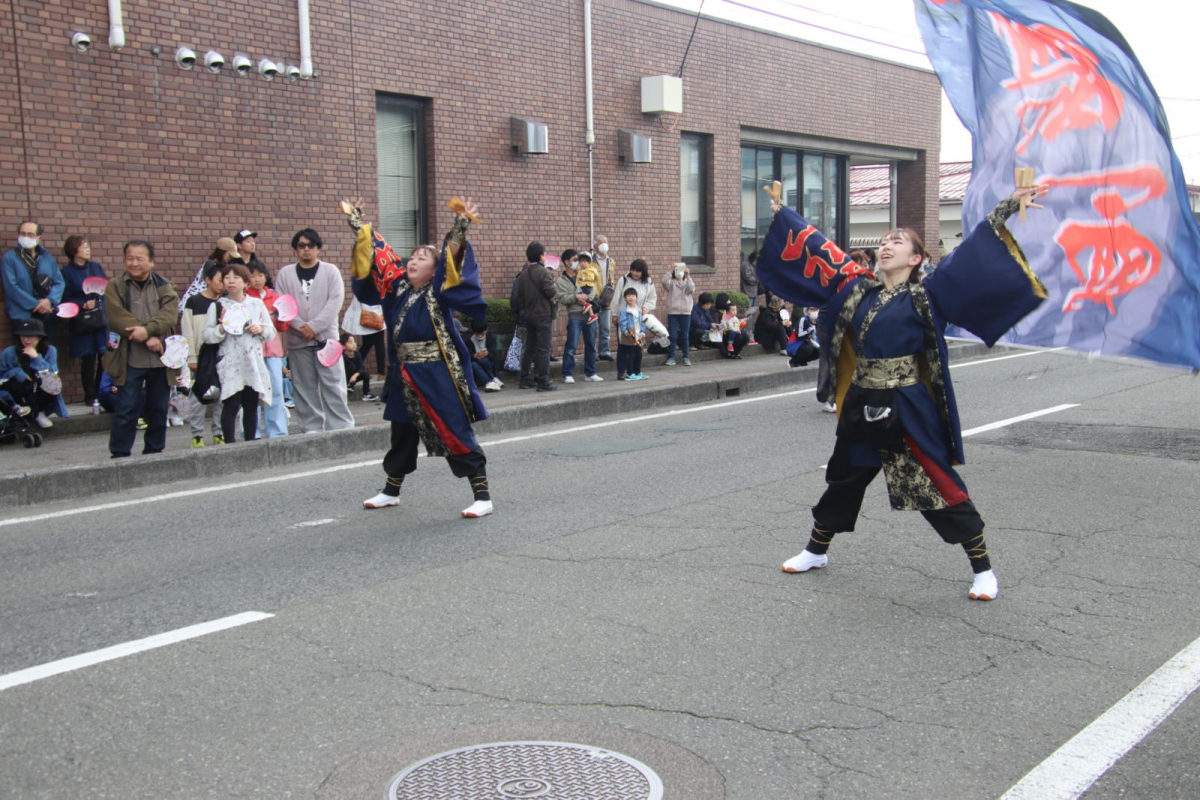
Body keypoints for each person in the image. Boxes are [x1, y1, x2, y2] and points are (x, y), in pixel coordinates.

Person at [756, 179, 1050, 601]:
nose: (886, 245)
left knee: (937, 483)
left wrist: (1006, 207)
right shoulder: (859, 290)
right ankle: (816, 550)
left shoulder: (929, 296)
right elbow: (818, 250)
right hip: (862, 401)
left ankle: (983, 569)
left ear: (916, 258)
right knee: (845, 479)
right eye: (883, 241)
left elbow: (971, 255)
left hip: (907, 404)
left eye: (897, 241)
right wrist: (782, 217)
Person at [346, 196, 494, 518]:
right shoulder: (398, 289)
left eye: (422, 258)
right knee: (402, 433)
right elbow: (378, 259)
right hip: (404, 373)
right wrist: (359, 227)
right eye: (411, 257)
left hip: (436, 374)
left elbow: (454, 261)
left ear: (435, 268)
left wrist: (460, 226)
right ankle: (391, 491)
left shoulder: (439, 291)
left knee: (453, 429)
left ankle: (482, 496)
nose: (413, 261)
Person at [104, 240, 179, 458]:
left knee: (158, 408)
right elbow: (116, 316)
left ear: (152, 262)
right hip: (129, 357)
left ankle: (154, 451)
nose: (133, 263)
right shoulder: (115, 286)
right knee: (127, 408)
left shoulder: (164, 285)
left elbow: (169, 314)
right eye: (129, 258)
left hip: (159, 357)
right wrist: (146, 335)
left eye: (139, 258)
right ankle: (119, 454)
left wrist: (148, 331)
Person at [275, 228, 355, 432]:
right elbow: (282, 304)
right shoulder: (285, 274)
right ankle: (311, 427)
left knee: (333, 384)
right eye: (301, 246)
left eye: (311, 245)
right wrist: (302, 327)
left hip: (326, 339)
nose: (306, 250)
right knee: (303, 386)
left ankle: (341, 426)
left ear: (318, 247)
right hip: (298, 339)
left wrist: (315, 326)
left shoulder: (330, 271)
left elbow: (336, 301)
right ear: (295, 249)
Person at [202, 263, 275, 443]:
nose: (231, 281)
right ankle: (230, 445)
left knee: (251, 406)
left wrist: (260, 328)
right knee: (231, 404)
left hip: (252, 360)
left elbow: (271, 332)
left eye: (236, 277)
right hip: (230, 362)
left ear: (245, 282)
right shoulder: (218, 306)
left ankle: (251, 443)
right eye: (226, 278)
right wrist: (221, 328)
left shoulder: (256, 304)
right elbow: (207, 336)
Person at [60, 235, 110, 409]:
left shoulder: (96, 267)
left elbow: (107, 288)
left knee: (105, 356)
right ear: (74, 250)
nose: (88, 249)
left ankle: (101, 391)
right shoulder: (66, 272)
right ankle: (90, 395)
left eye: (88, 246)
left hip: (100, 317)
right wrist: (82, 304)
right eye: (84, 247)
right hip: (82, 320)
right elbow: (64, 297)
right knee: (88, 358)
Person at [181, 263, 224, 446]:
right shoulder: (194, 301)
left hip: (221, 356)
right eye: (221, 280)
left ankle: (218, 432)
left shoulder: (225, 303)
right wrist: (191, 357)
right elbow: (187, 330)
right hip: (199, 356)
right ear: (207, 280)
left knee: (221, 397)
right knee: (198, 396)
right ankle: (197, 435)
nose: (224, 284)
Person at [246, 261, 291, 435]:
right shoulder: (244, 298)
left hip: (273, 350)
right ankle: (253, 432)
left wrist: (279, 319)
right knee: (253, 392)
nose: (256, 279)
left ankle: (277, 431)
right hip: (251, 351)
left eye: (260, 275)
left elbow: (284, 326)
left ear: (266, 277)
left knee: (276, 390)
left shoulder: (275, 298)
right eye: (252, 275)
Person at [0, 318, 67, 428]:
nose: (26, 340)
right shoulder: (10, 352)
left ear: (40, 337)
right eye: (23, 336)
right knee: (14, 384)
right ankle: (19, 411)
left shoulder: (50, 350)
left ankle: (39, 413)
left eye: (30, 336)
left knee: (52, 384)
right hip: (19, 392)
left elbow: (53, 374)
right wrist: (17, 372)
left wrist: (36, 358)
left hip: (38, 390)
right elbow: (1, 375)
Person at [2, 221, 64, 338]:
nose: (26, 237)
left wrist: (49, 301)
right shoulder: (9, 258)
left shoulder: (46, 257)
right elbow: (12, 287)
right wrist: (36, 305)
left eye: (30, 235)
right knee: (24, 352)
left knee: (46, 350)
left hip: (46, 315)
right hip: (22, 315)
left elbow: (59, 282)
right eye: (22, 234)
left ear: (39, 238)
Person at [514, 241, 557, 391]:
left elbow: (518, 297)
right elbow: (551, 293)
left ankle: (524, 379)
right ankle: (543, 381)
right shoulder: (545, 272)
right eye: (544, 254)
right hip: (543, 315)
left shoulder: (523, 275)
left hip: (529, 315)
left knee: (530, 348)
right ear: (540, 256)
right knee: (544, 349)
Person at [554, 251, 602, 384]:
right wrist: (576, 297)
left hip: (589, 313)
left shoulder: (585, 272)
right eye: (575, 260)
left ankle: (590, 372)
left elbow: (594, 287)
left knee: (591, 344)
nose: (579, 262)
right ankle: (567, 373)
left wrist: (587, 298)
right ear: (567, 262)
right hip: (575, 314)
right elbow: (562, 298)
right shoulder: (561, 280)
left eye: (579, 260)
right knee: (571, 344)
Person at [178, 237, 241, 312]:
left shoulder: (225, 265)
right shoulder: (210, 264)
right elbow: (213, 286)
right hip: (198, 302)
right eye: (229, 254)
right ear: (223, 252)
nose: (231, 258)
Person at [660, 262, 695, 366]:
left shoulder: (687, 282)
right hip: (673, 312)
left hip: (685, 312)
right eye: (678, 270)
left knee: (685, 335)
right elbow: (664, 282)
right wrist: (671, 270)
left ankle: (686, 357)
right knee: (673, 335)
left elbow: (691, 289)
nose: (680, 272)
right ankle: (671, 357)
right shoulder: (671, 283)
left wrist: (688, 276)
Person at [593, 234, 617, 361]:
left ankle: (604, 351)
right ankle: (593, 352)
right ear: (595, 246)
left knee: (605, 328)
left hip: (606, 299)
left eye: (605, 242)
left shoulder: (611, 261)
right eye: (600, 242)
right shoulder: (591, 261)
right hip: (594, 298)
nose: (603, 244)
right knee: (592, 328)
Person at [616, 287, 646, 381]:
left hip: (638, 335)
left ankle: (638, 372)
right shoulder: (624, 311)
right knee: (630, 355)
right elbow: (622, 323)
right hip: (629, 336)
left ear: (636, 298)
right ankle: (630, 373)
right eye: (628, 296)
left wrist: (642, 332)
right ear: (625, 298)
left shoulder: (639, 310)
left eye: (633, 296)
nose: (631, 298)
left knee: (639, 355)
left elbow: (642, 322)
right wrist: (626, 332)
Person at [465, 318, 502, 391]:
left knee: (484, 361)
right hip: (475, 363)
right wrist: (474, 355)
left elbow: (494, 354)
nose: (479, 336)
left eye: (482, 333)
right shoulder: (469, 340)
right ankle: (491, 380)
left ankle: (490, 381)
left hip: (488, 363)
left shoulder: (490, 338)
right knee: (474, 364)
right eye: (477, 334)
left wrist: (487, 353)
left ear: (486, 330)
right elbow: (466, 355)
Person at [573, 251, 602, 324]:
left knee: (577, 296)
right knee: (582, 299)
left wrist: (583, 278)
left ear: (589, 263)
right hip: (582, 286)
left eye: (585, 262)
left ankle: (585, 304)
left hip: (586, 286)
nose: (582, 263)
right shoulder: (581, 269)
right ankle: (592, 315)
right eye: (581, 262)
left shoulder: (590, 270)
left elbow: (591, 278)